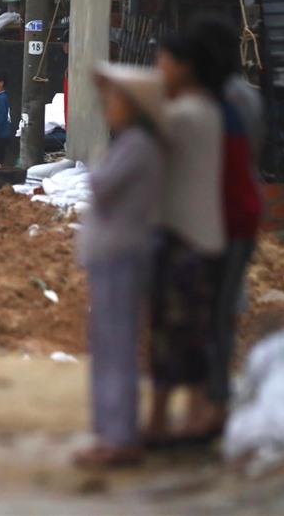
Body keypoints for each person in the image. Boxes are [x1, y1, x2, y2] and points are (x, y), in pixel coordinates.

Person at [74, 63, 167, 469]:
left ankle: (120, 434)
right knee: (108, 345)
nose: (108, 107)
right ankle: (109, 430)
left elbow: (102, 185)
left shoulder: (138, 147)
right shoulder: (132, 143)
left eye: (115, 100)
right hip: (114, 256)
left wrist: (98, 159)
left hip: (122, 255)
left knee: (116, 348)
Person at [182, 14, 264, 440]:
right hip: (241, 216)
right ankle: (215, 399)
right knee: (219, 314)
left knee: (206, 316)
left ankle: (213, 405)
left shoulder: (209, 103)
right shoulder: (245, 98)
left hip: (218, 221)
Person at [145, 30, 226, 447]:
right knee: (190, 331)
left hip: (183, 241)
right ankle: (188, 411)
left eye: (164, 63)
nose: (159, 71)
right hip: (198, 238)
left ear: (186, 68)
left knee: (174, 332)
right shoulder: (206, 110)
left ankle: (170, 417)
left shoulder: (185, 115)